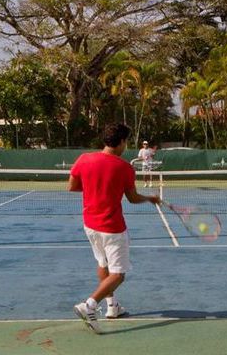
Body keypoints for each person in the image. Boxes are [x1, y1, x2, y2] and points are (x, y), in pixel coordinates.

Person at [68, 123, 160, 334]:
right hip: (112, 227)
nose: (126, 146)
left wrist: (95, 186)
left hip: (90, 225)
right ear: (120, 142)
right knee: (118, 274)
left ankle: (112, 307)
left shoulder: (84, 159)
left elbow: (72, 186)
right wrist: (150, 199)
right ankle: (89, 305)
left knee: (103, 263)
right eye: (126, 141)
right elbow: (133, 198)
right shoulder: (125, 168)